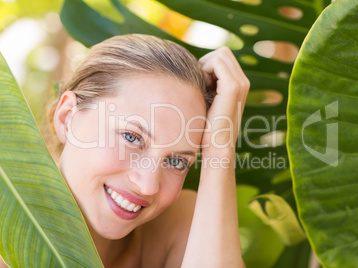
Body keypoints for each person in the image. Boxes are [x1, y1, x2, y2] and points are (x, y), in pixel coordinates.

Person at [0, 34, 249, 267]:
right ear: (67, 118)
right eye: (132, 137)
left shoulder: (183, 224)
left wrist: (220, 149)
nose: (148, 185)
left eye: (176, 161)